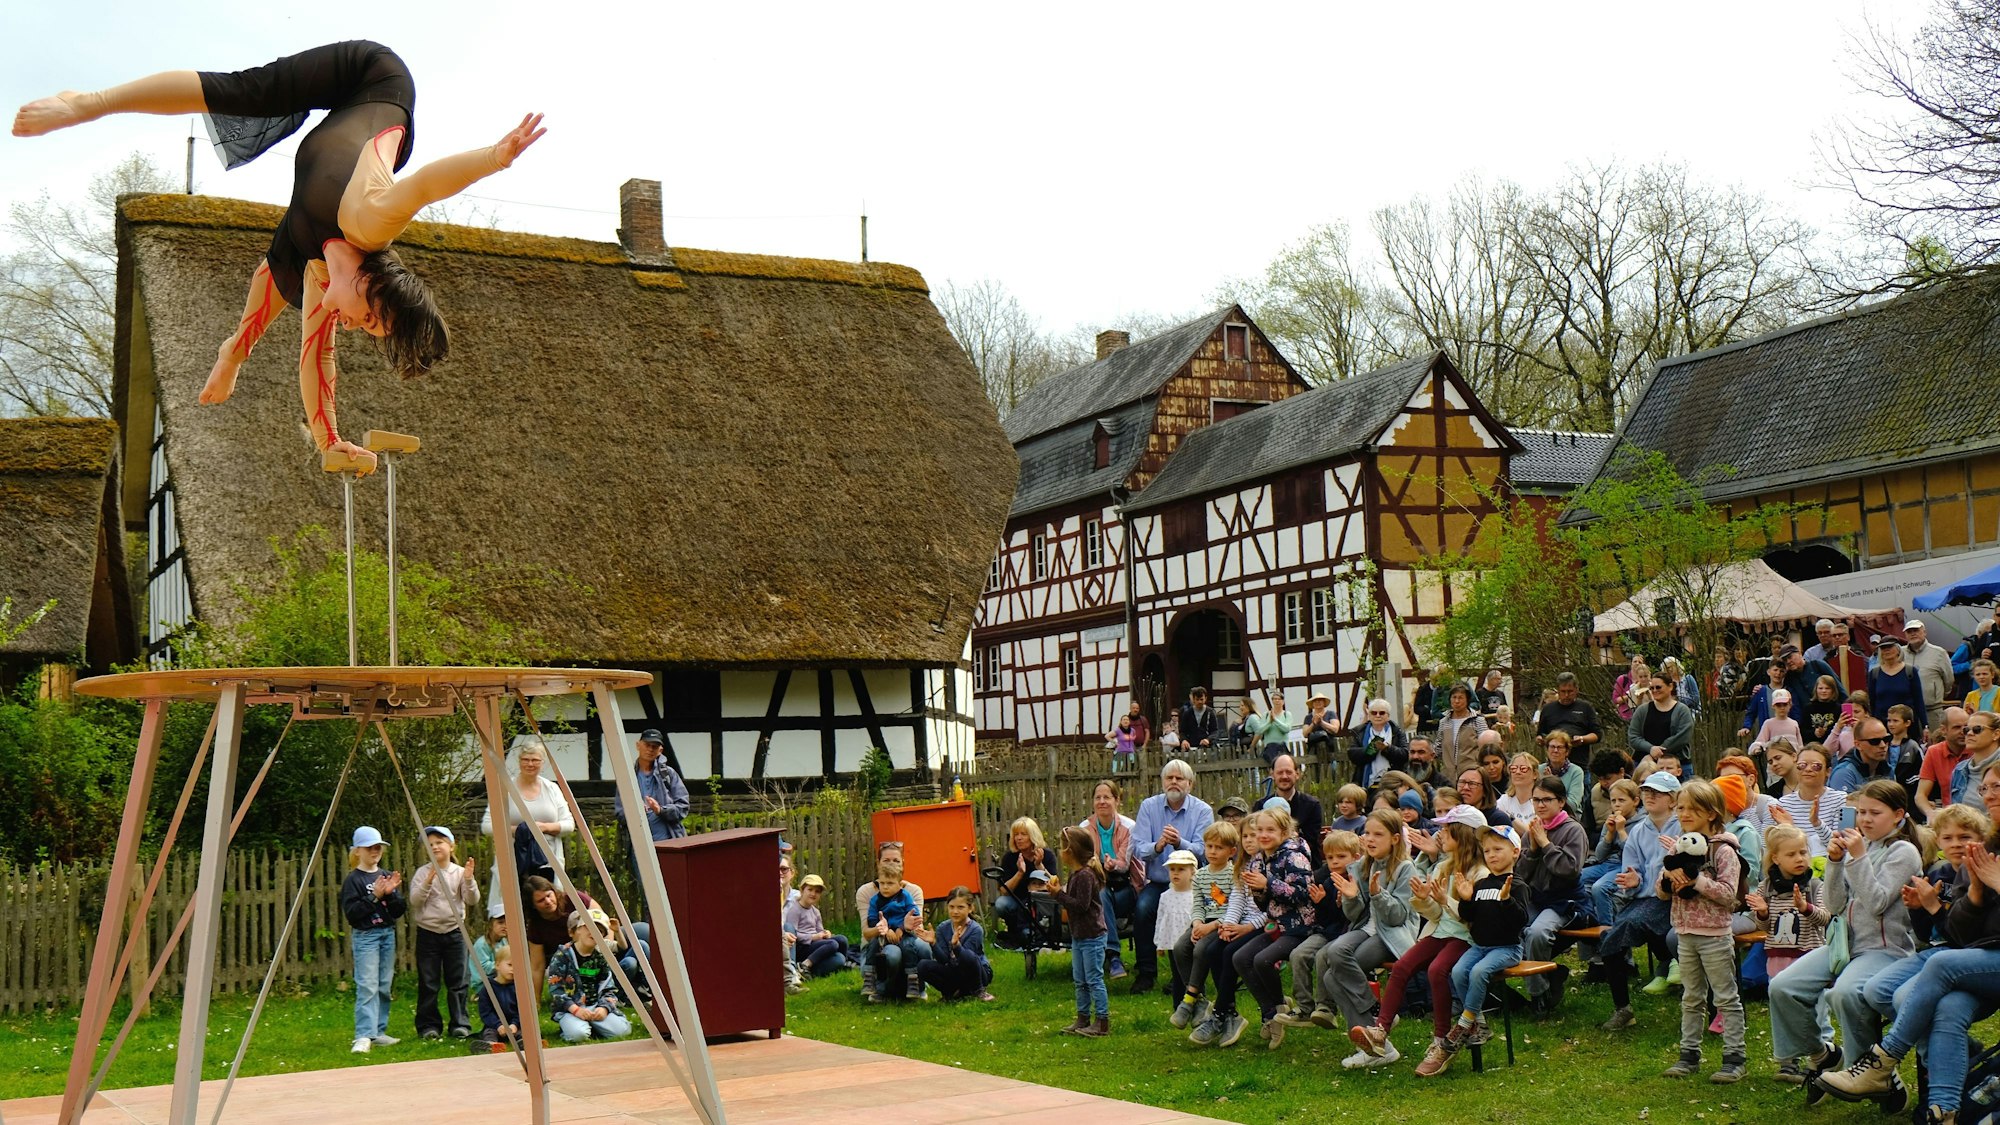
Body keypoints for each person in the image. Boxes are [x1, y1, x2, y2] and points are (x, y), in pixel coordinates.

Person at [16, 44, 545, 475]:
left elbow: (316, 359)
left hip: (321, 187)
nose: (354, 326)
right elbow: (426, 186)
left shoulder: (319, 271)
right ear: (372, 285)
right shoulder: (371, 223)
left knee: (278, 279)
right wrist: (495, 158)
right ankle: (86, 102)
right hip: (371, 79)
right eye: (368, 319)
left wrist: (329, 441)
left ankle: (233, 352)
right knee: (245, 92)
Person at [1821, 788, 2000, 1119]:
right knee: (1898, 995)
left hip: (1959, 957)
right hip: (1954, 953)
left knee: (1916, 988)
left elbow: (1969, 937)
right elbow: (1951, 932)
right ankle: (1944, 1110)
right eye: (1948, 837)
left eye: (1966, 836)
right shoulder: (1953, 871)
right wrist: (1928, 907)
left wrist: (1986, 888)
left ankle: (1881, 1062)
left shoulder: (1905, 852)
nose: (1958, 843)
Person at [1768, 779, 1925, 1083]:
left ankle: (1865, 1071)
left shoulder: (1904, 852)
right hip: (1843, 945)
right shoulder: (1860, 846)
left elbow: (1877, 903)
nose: (1865, 819)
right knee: (1782, 987)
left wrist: (1858, 857)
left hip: (1884, 949)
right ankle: (1820, 1052)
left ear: (1898, 814)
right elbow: (1835, 905)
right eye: (1861, 812)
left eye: (1874, 813)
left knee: (1843, 993)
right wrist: (1835, 862)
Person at [1345, 805, 1485, 1069]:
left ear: (1463, 835)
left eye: (1446, 829)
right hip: (1439, 932)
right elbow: (1435, 915)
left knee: (1436, 971)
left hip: (1465, 937)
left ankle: (1440, 1041)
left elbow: (1473, 919)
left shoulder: (1479, 873)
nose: (1440, 834)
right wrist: (1424, 901)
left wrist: (1446, 901)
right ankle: (1380, 1032)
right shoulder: (1442, 866)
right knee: (1401, 968)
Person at [1413, 824, 1530, 1077]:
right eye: (1487, 850)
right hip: (1480, 945)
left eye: (1498, 849)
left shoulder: (1517, 884)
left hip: (1507, 948)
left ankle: (1465, 1023)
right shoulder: (1482, 882)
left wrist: (1507, 900)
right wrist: (1461, 899)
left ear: (1515, 852)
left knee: (1478, 973)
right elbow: (1469, 917)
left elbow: (1521, 921)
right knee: (1458, 971)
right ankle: (1481, 1024)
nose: (1492, 854)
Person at [1656, 780, 1748, 1083]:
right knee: (1691, 996)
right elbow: (1661, 893)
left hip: (1715, 935)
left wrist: (1696, 882)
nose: (1683, 814)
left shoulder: (1723, 851)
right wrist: (1670, 878)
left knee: (1725, 996)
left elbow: (1727, 894)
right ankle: (1688, 1055)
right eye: (1680, 807)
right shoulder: (1680, 845)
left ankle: (1735, 1057)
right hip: (1684, 932)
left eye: (1692, 809)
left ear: (1711, 813)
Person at [1590, 772, 1683, 1029]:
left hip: (1677, 900)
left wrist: (1678, 853)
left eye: (1658, 792)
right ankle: (1623, 1009)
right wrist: (1633, 881)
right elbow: (1632, 870)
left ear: (1673, 799)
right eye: (1647, 791)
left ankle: (1676, 970)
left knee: (1626, 930)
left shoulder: (1684, 825)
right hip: (1645, 900)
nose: (1650, 796)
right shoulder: (1639, 832)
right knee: (1609, 939)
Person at [1320, 810, 1420, 1047]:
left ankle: (1375, 1032)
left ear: (1395, 839)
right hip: (1367, 928)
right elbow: (1354, 915)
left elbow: (1397, 917)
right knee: (1331, 964)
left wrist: (1378, 894)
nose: (1370, 839)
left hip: (1393, 935)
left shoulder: (1405, 868)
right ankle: (1375, 1031)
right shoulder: (1364, 865)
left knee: (1332, 975)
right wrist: (1351, 898)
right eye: (1367, 833)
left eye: (1378, 834)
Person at [1231, 807, 1317, 1048]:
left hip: (1300, 926)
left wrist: (1267, 884)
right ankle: (1272, 1014)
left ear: (1284, 831)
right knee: (1240, 958)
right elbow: (1263, 904)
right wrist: (1258, 891)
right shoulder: (1259, 859)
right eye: (1260, 830)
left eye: (1270, 830)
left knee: (1262, 960)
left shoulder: (1294, 856)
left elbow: (1302, 895)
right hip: (1276, 925)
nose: (1263, 835)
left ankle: (1278, 1008)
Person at [1129, 760, 1214, 993]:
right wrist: (1158, 846)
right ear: (1163, 781)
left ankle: (1183, 976)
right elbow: (1137, 847)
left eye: (1179, 778)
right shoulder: (1149, 807)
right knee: (1143, 909)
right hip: (1159, 882)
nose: (1174, 782)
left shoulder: (1203, 811)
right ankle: (1146, 973)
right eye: (1169, 778)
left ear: (1190, 783)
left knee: (1188, 917)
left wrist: (1179, 843)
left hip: (1191, 885)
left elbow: (1205, 850)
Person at [1514, 776, 1589, 1013]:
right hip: (1537, 897)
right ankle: (1552, 974)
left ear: (1562, 802)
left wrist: (1545, 844)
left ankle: (1539, 996)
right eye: (1536, 800)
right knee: (1511, 925)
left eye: (1547, 799)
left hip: (1565, 900)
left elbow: (1569, 869)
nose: (1541, 805)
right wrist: (1533, 850)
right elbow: (1521, 874)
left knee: (1536, 933)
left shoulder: (1573, 830)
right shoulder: (1532, 832)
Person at [480, 739, 574, 918]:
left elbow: (569, 824)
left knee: (549, 906)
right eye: (526, 759)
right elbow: (487, 826)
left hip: (548, 861)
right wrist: (519, 830)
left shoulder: (552, 789)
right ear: (519, 761)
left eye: (535, 760)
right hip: (513, 860)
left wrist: (544, 827)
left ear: (542, 763)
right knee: (513, 907)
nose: (530, 764)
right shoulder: (505, 789)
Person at [1280, 830, 1357, 1030]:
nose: (1335, 861)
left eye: (1341, 857)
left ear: (1355, 857)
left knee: (1323, 956)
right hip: (1326, 931)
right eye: (1330, 857)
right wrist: (1320, 903)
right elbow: (1325, 918)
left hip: (1346, 934)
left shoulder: (1357, 880)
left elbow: (1351, 917)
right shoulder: (1328, 880)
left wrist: (1335, 903)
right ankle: (1304, 1008)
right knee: (1298, 954)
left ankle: (1326, 1009)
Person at [408, 825, 478, 1041]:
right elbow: (415, 900)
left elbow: (472, 899)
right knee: (428, 981)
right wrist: (428, 880)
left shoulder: (458, 872)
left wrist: (468, 879)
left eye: (439, 842)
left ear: (451, 845)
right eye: (430, 845)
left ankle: (460, 1023)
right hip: (428, 934)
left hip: (454, 933)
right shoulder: (422, 873)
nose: (435, 847)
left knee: (458, 981)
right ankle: (428, 1026)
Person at [1171, 821, 1242, 1032]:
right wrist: (1197, 923)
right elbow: (1198, 904)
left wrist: (1211, 927)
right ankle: (1200, 1000)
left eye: (1219, 847)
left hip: (1223, 924)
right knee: (1180, 947)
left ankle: (1189, 999)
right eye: (1209, 846)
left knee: (1202, 949)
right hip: (1203, 922)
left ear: (1231, 851)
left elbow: (1234, 908)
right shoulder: (1200, 875)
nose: (1212, 851)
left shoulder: (1233, 874)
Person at [340, 826, 404, 1053]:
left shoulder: (385, 875)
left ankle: (378, 1032)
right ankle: (363, 1035)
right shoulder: (353, 880)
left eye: (378, 847)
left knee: (384, 985)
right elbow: (353, 915)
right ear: (357, 851)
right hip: (366, 936)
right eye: (369, 847)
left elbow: (397, 911)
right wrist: (374, 896)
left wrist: (391, 895)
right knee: (368, 985)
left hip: (387, 934)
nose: (375, 851)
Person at [1049, 826, 1110, 1036]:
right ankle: (1083, 1018)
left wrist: (1058, 895)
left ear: (1070, 850)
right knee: (1080, 980)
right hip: (1080, 936)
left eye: (1061, 847)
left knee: (1093, 979)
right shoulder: (1076, 874)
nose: (1059, 851)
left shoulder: (1085, 875)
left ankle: (1102, 1022)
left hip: (1092, 936)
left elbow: (1081, 906)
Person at [1076, 780, 1141, 979]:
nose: (1102, 801)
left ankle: (1110, 955)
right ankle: (1113, 956)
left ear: (1117, 801)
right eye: (1098, 797)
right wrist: (1098, 866)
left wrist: (1113, 864)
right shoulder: (1084, 828)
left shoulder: (1129, 827)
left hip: (1125, 884)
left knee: (1103, 897)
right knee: (1100, 895)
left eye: (1107, 797)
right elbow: (1084, 861)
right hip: (1099, 885)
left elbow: (1124, 862)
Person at [615, 729, 689, 900]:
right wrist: (634, 814)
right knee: (650, 898)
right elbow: (619, 812)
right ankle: (653, 927)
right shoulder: (628, 777)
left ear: (660, 750)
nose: (650, 749)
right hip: (640, 847)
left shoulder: (668, 774)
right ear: (638, 745)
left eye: (655, 747)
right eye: (647, 745)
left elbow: (683, 806)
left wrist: (661, 810)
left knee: (675, 894)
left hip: (669, 844)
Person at [545, 911, 630, 1042]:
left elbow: (609, 989)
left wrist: (604, 1008)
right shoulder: (562, 956)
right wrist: (576, 1010)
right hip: (571, 1009)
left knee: (623, 1030)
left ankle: (592, 1024)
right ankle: (575, 1026)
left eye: (600, 930)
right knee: (578, 1035)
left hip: (595, 1007)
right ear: (578, 929)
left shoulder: (600, 957)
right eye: (589, 927)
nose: (594, 932)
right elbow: (556, 990)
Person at [913, 886, 994, 1002]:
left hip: (977, 973)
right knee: (923, 965)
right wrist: (933, 943)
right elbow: (944, 960)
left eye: (960, 907)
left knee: (969, 955)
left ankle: (979, 991)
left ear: (970, 908)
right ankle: (950, 992)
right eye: (951, 907)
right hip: (954, 970)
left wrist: (956, 946)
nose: (955, 911)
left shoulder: (976, 929)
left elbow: (968, 960)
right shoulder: (942, 928)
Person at [991, 817, 1057, 947]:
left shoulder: (1047, 855)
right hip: (1018, 901)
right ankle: (1015, 932)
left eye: (1023, 834)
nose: (1018, 838)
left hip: (1041, 902)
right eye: (1016, 835)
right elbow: (1004, 891)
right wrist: (1020, 873)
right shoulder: (1010, 858)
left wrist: (1039, 866)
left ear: (1032, 836)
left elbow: (1054, 884)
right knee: (1001, 904)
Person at [1780, 743, 1848, 857]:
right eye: (1802, 765)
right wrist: (1789, 827)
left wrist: (1817, 823)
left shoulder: (1841, 799)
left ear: (1828, 771)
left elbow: (1840, 847)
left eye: (1816, 766)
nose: (1808, 769)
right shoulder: (1784, 803)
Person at [1255, 754, 1323, 864]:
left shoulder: (1311, 805)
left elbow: (1311, 842)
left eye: (1289, 772)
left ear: (1297, 774)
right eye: (1280, 772)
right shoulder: (1261, 806)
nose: (1284, 776)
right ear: (1272, 774)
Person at [785, 874, 853, 978]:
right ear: (802, 890)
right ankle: (804, 965)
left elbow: (819, 930)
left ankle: (843, 963)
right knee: (833, 944)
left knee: (842, 940)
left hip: (815, 945)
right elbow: (793, 934)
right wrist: (813, 937)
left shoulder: (815, 911)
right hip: (802, 947)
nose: (813, 894)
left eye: (817, 891)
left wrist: (826, 934)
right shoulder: (795, 909)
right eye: (810, 889)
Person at [1154, 850, 1199, 1007]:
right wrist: (1159, 943)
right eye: (1172, 869)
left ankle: (1198, 1004)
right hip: (1173, 942)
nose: (1176, 873)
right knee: (1177, 975)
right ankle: (1178, 1007)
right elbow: (1160, 919)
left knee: (1194, 974)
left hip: (1192, 942)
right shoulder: (1165, 896)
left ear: (1192, 871)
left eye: (1181, 869)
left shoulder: (1195, 895)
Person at [1536, 672, 1603, 770]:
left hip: (1580, 764)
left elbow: (1597, 735)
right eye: (1563, 691)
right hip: (1554, 765)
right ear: (1558, 691)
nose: (1566, 695)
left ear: (1576, 690)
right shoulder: (1548, 709)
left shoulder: (1585, 707)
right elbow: (1540, 734)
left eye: (1570, 691)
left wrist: (1582, 739)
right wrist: (1540, 740)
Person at [1917, 707, 1972, 820]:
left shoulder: (1977, 749)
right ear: (1943, 730)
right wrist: (1930, 814)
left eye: (1966, 727)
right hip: (1949, 818)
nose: (1963, 731)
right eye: (1957, 727)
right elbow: (1920, 795)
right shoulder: (1934, 752)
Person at [1628, 673, 1695, 760]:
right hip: (1644, 763)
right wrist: (1650, 749)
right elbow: (1633, 736)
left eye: (1658, 687)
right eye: (1652, 688)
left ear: (1670, 686)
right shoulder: (1642, 710)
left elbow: (1682, 737)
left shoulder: (1682, 711)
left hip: (1675, 764)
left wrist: (1659, 751)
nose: (1655, 690)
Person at [1906, 620, 1956, 734]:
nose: (1913, 634)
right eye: (1909, 631)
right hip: (1909, 713)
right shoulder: (1901, 654)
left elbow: (1949, 680)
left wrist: (1936, 695)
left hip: (1932, 711)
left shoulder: (1939, 653)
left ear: (1924, 632)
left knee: (1935, 744)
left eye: (1916, 630)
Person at [1348, 698, 1410, 789]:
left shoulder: (1397, 732)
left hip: (1392, 782)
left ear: (1388, 715)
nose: (1377, 715)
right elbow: (1353, 754)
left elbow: (1404, 754)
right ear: (1369, 714)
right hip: (1367, 782)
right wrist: (1372, 748)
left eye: (1382, 713)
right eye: (1374, 713)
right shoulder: (1359, 732)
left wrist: (1387, 749)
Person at [1830, 715, 1898, 794]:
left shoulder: (1888, 769)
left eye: (1886, 739)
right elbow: (1845, 806)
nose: (1883, 745)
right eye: (1874, 741)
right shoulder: (1843, 773)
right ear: (1858, 745)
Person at [1435, 685, 1487, 781]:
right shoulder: (1444, 722)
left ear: (1467, 700)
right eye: (1454, 697)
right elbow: (1438, 747)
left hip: (1471, 773)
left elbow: (1485, 746)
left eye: (1460, 698)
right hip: (1449, 775)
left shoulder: (1477, 720)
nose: (1457, 701)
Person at [1869, 637, 1926, 722]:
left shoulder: (1910, 671)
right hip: (1882, 724)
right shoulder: (1874, 673)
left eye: (1890, 647)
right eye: (1883, 648)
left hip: (1906, 725)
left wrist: (1925, 725)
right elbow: (1872, 701)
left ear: (1898, 649)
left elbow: (1919, 700)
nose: (1887, 650)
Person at [1582, 750, 1633, 846]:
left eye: (1608, 778)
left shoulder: (1635, 791)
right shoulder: (1594, 794)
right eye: (1600, 779)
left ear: (1621, 772)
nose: (1604, 783)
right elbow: (1586, 831)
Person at [1541, 731, 1586, 816]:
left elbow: (1572, 805)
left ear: (1567, 752)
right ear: (1547, 750)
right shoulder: (1540, 770)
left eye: (1560, 747)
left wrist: (1552, 784)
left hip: (1568, 818)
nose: (1555, 750)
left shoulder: (1576, 772)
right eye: (1552, 747)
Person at [1244, 693, 1294, 767]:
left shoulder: (1287, 714)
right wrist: (1269, 722)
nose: (1277, 701)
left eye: (1279, 699)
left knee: (1284, 766)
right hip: (1269, 748)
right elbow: (1260, 730)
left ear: (1283, 702)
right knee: (1274, 766)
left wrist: (1275, 720)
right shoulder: (1266, 715)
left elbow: (1286, 729)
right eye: (1274, 699)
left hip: (1283, 747)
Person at [1748, 688, 1802, 755]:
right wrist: (1756, 748)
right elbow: (1760, 741)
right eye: (1778, 705)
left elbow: (1800, 746)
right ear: (1773, 706)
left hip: (1793, 760)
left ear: (1790, 705)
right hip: (1775, 759)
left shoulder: (1794, 723)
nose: (1782, 708)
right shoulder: (1768, 723)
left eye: (1785, 704)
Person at [1495, 753, 1540, 822]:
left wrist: (1509, 818)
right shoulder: (1504, 800)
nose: (1517, 772)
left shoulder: (1540, 802)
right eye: (1513, 768)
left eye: (1523, 768)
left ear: (1535, 774)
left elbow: (1533, 831)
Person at [1301, 694, 1343, 767]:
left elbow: (1335, 729)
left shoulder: (1331, 714)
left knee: (1333, 769)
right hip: (1314, 749)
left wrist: (1322, 722)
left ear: (1324, 703)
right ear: (1312, 704)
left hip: (1330, 747)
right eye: (1315, 701)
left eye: (1320, 700)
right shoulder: (1308, 717)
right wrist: (1313, 723)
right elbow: (1305, 733)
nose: (1318, 702)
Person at [1178, 687, 1221, 753]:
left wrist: (1208, 740)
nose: (1199, 702)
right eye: (1197, 699)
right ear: (1193, 700)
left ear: (1205, 698)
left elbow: (1215, 731)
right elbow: (1182, 731)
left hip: (1208, 747)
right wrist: (1184, 740)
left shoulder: (1210, 712)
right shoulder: (1187, 713)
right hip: (1192, 747)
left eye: (1201, 699)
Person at [1614, 657, 1650, 723]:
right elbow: (1615, 699)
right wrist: (1631, 694)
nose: (1637, 663)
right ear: (1631, 664)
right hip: (1627, 715)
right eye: (1635, 661)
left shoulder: (1651, 684)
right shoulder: (1623, 679)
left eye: (1640, 662)